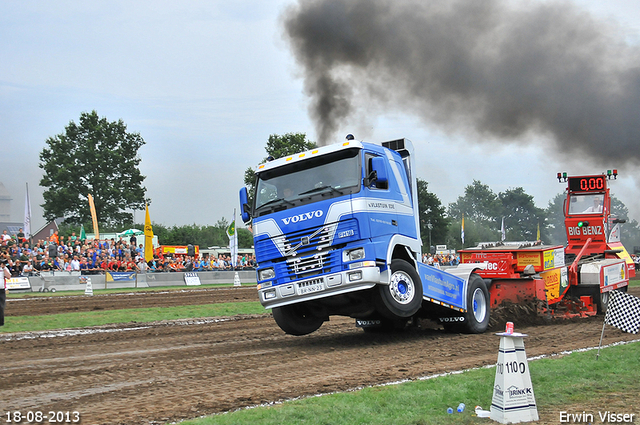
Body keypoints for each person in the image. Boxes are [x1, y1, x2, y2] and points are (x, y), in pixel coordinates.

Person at [1, 260, 10, 326]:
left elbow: (8, 277)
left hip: (1, 290)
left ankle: (1, 322)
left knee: (1, 307)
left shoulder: (4, 269)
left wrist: (3, 268)